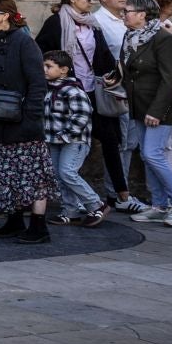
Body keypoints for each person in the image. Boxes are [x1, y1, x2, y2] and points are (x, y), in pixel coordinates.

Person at [36, 0, 129, 214]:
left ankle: (121, 194)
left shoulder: (92, 23)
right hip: (67, 94)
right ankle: (73, 203)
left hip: (92, 91)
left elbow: (103, 54)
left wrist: (110, 75)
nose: (91, 1)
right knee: (66, 146)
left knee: (110, 138)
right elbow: (40, 52)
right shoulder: (56, 23)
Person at [0, 0, 59, 244]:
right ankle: (14, 219)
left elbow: (37, 83)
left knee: (32, 174)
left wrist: (31, 116)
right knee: (1, 172)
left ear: (6, 15)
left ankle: (39, 226)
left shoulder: (24, 42)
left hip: (20, 120)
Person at [120, 0, 172, 226]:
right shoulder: (131, 37)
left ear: (142, 14)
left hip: (161, 109)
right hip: (139, 106)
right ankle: (159, 205)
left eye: (127, 11)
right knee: (148, 155)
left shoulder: (164, 39)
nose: (124, 15)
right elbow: (129, 71)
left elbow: (169, 80)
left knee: (153, 153)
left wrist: (157, 111)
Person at [91, 0, 146, 213]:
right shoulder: (97, 21)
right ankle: (117, 194)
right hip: (114, 91)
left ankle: (121, 191)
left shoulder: (127, 19)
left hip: (135, 90)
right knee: (120, 141)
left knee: (130, 141)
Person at [41, 51, 103, 226]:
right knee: (58, 176)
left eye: (49, 66)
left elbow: (82, 115)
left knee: (67, 172)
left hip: (74, 141)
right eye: (43, 66)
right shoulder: (47, 90)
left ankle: (95, 204)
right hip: (53, 141)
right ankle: (70, 211)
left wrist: (66, 135)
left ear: (64, 70)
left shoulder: (72, 90)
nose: (44, 69)